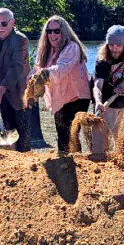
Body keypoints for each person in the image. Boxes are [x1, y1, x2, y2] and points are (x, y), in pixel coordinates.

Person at [30, 16, 91, 152]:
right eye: (49, 31)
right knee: (61, 133)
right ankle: (64, 163)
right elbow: (37, 69)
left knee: (71, 135)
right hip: (60, 97)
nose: (52, 34)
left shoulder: (72, 47)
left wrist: (44, 74)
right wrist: (30, 81)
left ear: (64, 31)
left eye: (56, 31)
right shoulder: (46, 50)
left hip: (77, 97)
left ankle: (76, 165)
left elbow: (62, 68)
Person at [0, 8, 31, 152]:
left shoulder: (21, 40)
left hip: (20, 94)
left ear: (12, 22)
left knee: (22, 139)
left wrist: (1, 89)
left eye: (4, 23)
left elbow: (16, 68)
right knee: (5, 137)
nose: (0, 27)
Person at [91, 25, 124, 152]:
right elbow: (97, 84)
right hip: (103, 98)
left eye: (118, 45)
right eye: (111, 44)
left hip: (121, 96)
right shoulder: (102, 59)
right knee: (101, 133)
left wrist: (122, 84)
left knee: (121, 132)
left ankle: (121, 159)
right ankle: (99, 159)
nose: (114, 48)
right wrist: (98, 101)